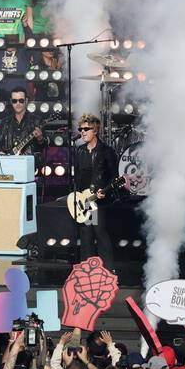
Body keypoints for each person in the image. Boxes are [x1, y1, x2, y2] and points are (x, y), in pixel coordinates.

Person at [71, 113, 118, 272]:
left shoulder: (107, 152)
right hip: (84, 201)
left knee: (99, 233)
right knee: (86, 236)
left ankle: (109, 271)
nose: (82, 132)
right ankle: (87, 272)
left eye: (86, 129)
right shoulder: (79, 151)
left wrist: (105, 191)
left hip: (98, 201)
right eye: (81, 129)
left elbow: (114, 178)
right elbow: (77, 177)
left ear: (95, 130)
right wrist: (77, 197)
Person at [0, 88, 44, 155]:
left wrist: (40, 138)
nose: (18, 103)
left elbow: (44, 146)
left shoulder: (36, 120)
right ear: (11, 101)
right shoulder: (6, 122)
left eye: (21, 100)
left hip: (31, 163)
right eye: (14, 101)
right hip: (10, 163)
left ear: (26, 101)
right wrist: (3, 155)